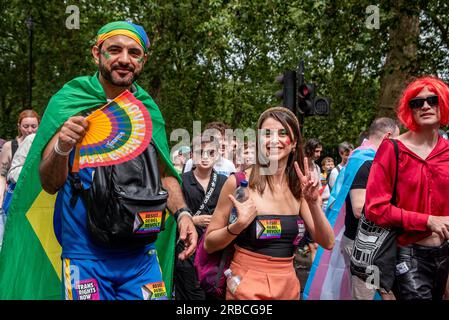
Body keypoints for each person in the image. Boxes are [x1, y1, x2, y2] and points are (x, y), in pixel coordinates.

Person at [38, 21, 197, 300]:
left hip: (141, 257)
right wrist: (63, 146)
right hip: (86, 258)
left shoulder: (147, 110)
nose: (125, 59)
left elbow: (164, 175)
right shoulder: (70, 101)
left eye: (134, 53)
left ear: (143, 60)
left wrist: (183, 214)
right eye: (115, 50)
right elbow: (49, 183)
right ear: (96, 53)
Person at [204, 107, 334, 300]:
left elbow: (328, 242)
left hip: (288, 286)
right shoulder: (238, 183)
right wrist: (237, 226)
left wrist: (314, 202)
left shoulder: (299, 188)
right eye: (267, 134)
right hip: (245, 286)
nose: (274, 140)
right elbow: (209, 244)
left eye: (283, 133)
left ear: (294, 143)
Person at [365, 76, 449, 300]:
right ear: (409, 110)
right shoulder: (392, 149)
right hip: (409, 255)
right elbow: (375, 208)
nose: (425, 106)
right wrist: (427, 220)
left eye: (433, 100)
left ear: (443, 104)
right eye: (417, 102)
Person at [339, 118, 399, 300]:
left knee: (387, 294)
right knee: (367, 296)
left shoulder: (368, 159)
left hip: (380, 246)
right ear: (388, 138)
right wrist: (401, 213)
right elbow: (359, 208)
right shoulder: (365, 162)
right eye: (397, 141)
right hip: (363, 247)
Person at [174, 135, 227, 300]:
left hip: (214, 252)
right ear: (192, 155)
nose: (204, 157)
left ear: (217, 155)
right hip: (186, 249)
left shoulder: (225, 182)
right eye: (200, 152)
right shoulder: (180, 182)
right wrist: (191, 220)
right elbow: (169, 217)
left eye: (210, 152)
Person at [0, 110, 40, 209]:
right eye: (25, 126)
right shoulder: (9, 146)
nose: (30, 130)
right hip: (14, 197)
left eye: (34, 126)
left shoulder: (43, 146)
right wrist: (1, 198)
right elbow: (2, 175)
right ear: (19, 126)